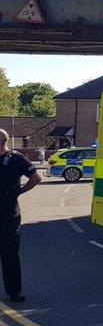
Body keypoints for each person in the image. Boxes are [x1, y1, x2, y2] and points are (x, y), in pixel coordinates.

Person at [0, 129, 42, 303]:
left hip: (8, 212)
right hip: (7, 211)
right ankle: (13, 291)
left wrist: (19, 191)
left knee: (9, 254)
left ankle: (14, 291)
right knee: (9, 254)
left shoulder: (16, 158)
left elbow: (36, 177)